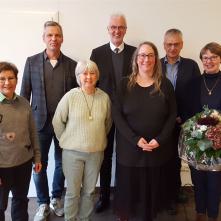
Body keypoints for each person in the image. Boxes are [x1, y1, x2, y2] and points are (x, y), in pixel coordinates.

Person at [112, 41, 177, 221]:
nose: (145, 59)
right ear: (136, 59)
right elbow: (117, 115)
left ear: (155, 59)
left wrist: (160, 139)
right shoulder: (124, 84)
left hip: (157, 151)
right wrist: (135, 140)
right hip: (130, 151)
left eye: (150, 55)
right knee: (129, 200)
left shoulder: (165, 85)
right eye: (142, 55)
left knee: (151, 202)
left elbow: (172, 115)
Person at [20, 21, 77, 221]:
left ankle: (56, 199)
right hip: (39, 124)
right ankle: (43, 203)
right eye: (49, 35)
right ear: (43, 38)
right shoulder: (32, 62)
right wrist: (23, 126)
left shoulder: (72, 65)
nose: (54, 39)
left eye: (57, 35)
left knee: (62, 163)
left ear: (62, 38)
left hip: (65, 125)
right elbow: (24, 96)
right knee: (39, 163)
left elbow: (76, 98)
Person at [52, 60, 112, 221]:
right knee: (72, 192)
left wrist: (96, 139)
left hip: (96, 153)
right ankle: (70, 219)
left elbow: (107, 123)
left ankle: (84, 218)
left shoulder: (104, 98)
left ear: (97, 76)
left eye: (92, 73)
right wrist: (65, 139)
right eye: (84, 73)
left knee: (89, 191)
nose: (88, 77)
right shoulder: (70, 96)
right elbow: (57, 121)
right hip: (72, 153)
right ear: (78, 76)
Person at [90, 13, 136, 213]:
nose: (117, 31)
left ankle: (126, 195)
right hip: (105, 113)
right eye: (113, 27)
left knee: (126, 155)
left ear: (125, 30)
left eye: (121, 27)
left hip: (129, 114)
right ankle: (104, 196)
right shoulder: (97, 53)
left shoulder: (136, 52)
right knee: (105, 156)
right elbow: (92, 83)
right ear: (108, 30)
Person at [160, 28, 201, 213]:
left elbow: (195, 94)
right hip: (159, 122)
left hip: (182, 121)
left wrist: (182, 115)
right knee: (162, 159)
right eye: (169, 44)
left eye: (176, 44)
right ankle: (162, 195)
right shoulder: (155, 64)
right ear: (164, 45)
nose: (173, 47)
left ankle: (175, 193)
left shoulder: (191, 66)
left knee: (177, 159)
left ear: (182, 45)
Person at [184, 42, 221, 221]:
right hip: (196, 142)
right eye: (205, 58)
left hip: (219, 143)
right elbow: (185, 111)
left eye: (213, 57)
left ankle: (213, 215)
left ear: (220, 59)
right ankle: (200, 213)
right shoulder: (193, 84)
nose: (209, 61)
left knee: (215, 182)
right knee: (198, 179)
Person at [0, 62, 41, 221]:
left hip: (23, 163)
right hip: (2, 167)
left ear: (17, 80)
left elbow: (33, 132)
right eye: (2, 78)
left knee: (21, 201)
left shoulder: (24, 103)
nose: (7, 82)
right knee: (0, 206)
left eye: (11, 78)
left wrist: (37, 157)